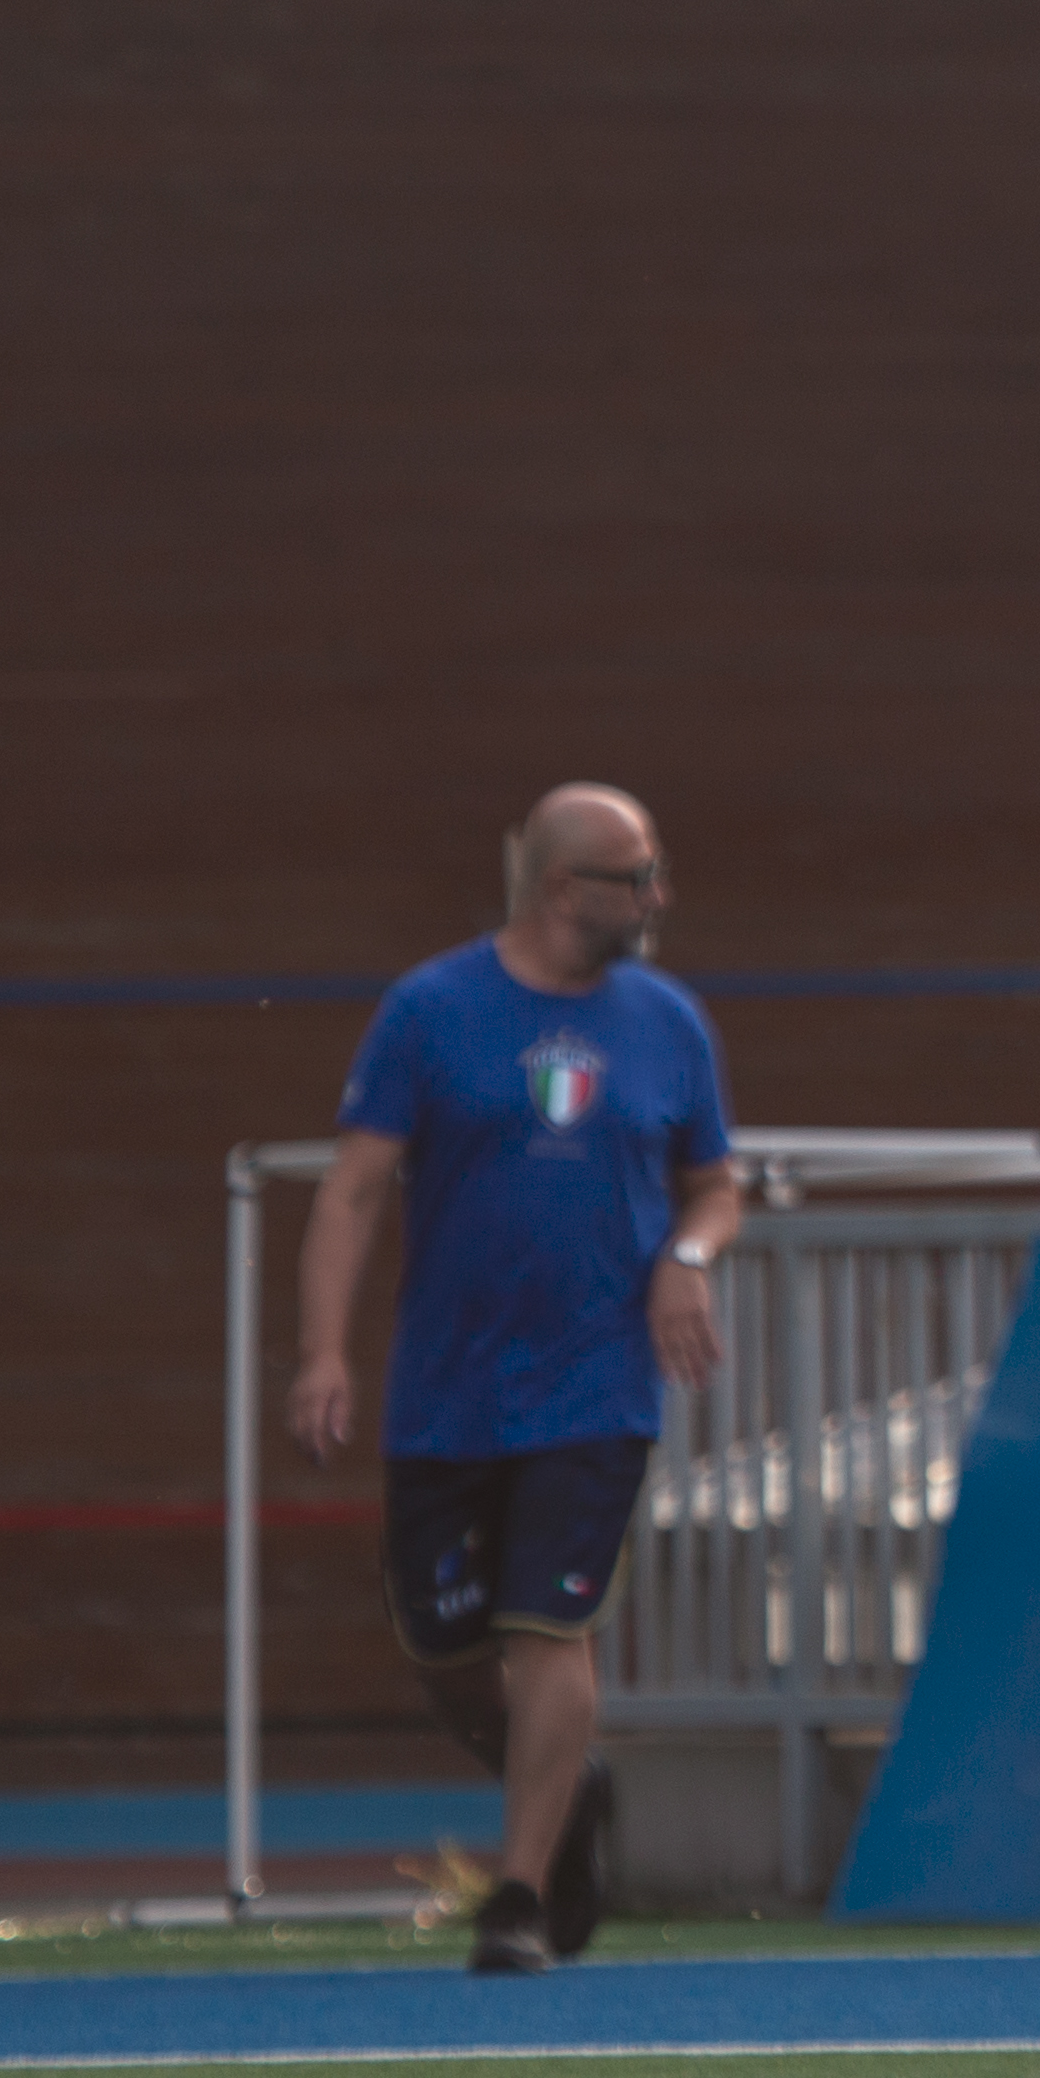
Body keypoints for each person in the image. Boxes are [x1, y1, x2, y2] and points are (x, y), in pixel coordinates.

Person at [292, 787, 734, 1978]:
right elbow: (351, 1188)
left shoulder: (669, 1023)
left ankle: (522, 1896)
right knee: (446, 1644)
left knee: (551, 1631)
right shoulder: (430, 1011)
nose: (657, 899)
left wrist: (686, 1261)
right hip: (449, 1390)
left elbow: (715, 1181)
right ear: (561, 890)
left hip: (595, 1389)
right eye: (636, 877)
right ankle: (563, 1787)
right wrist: (324, 1351)